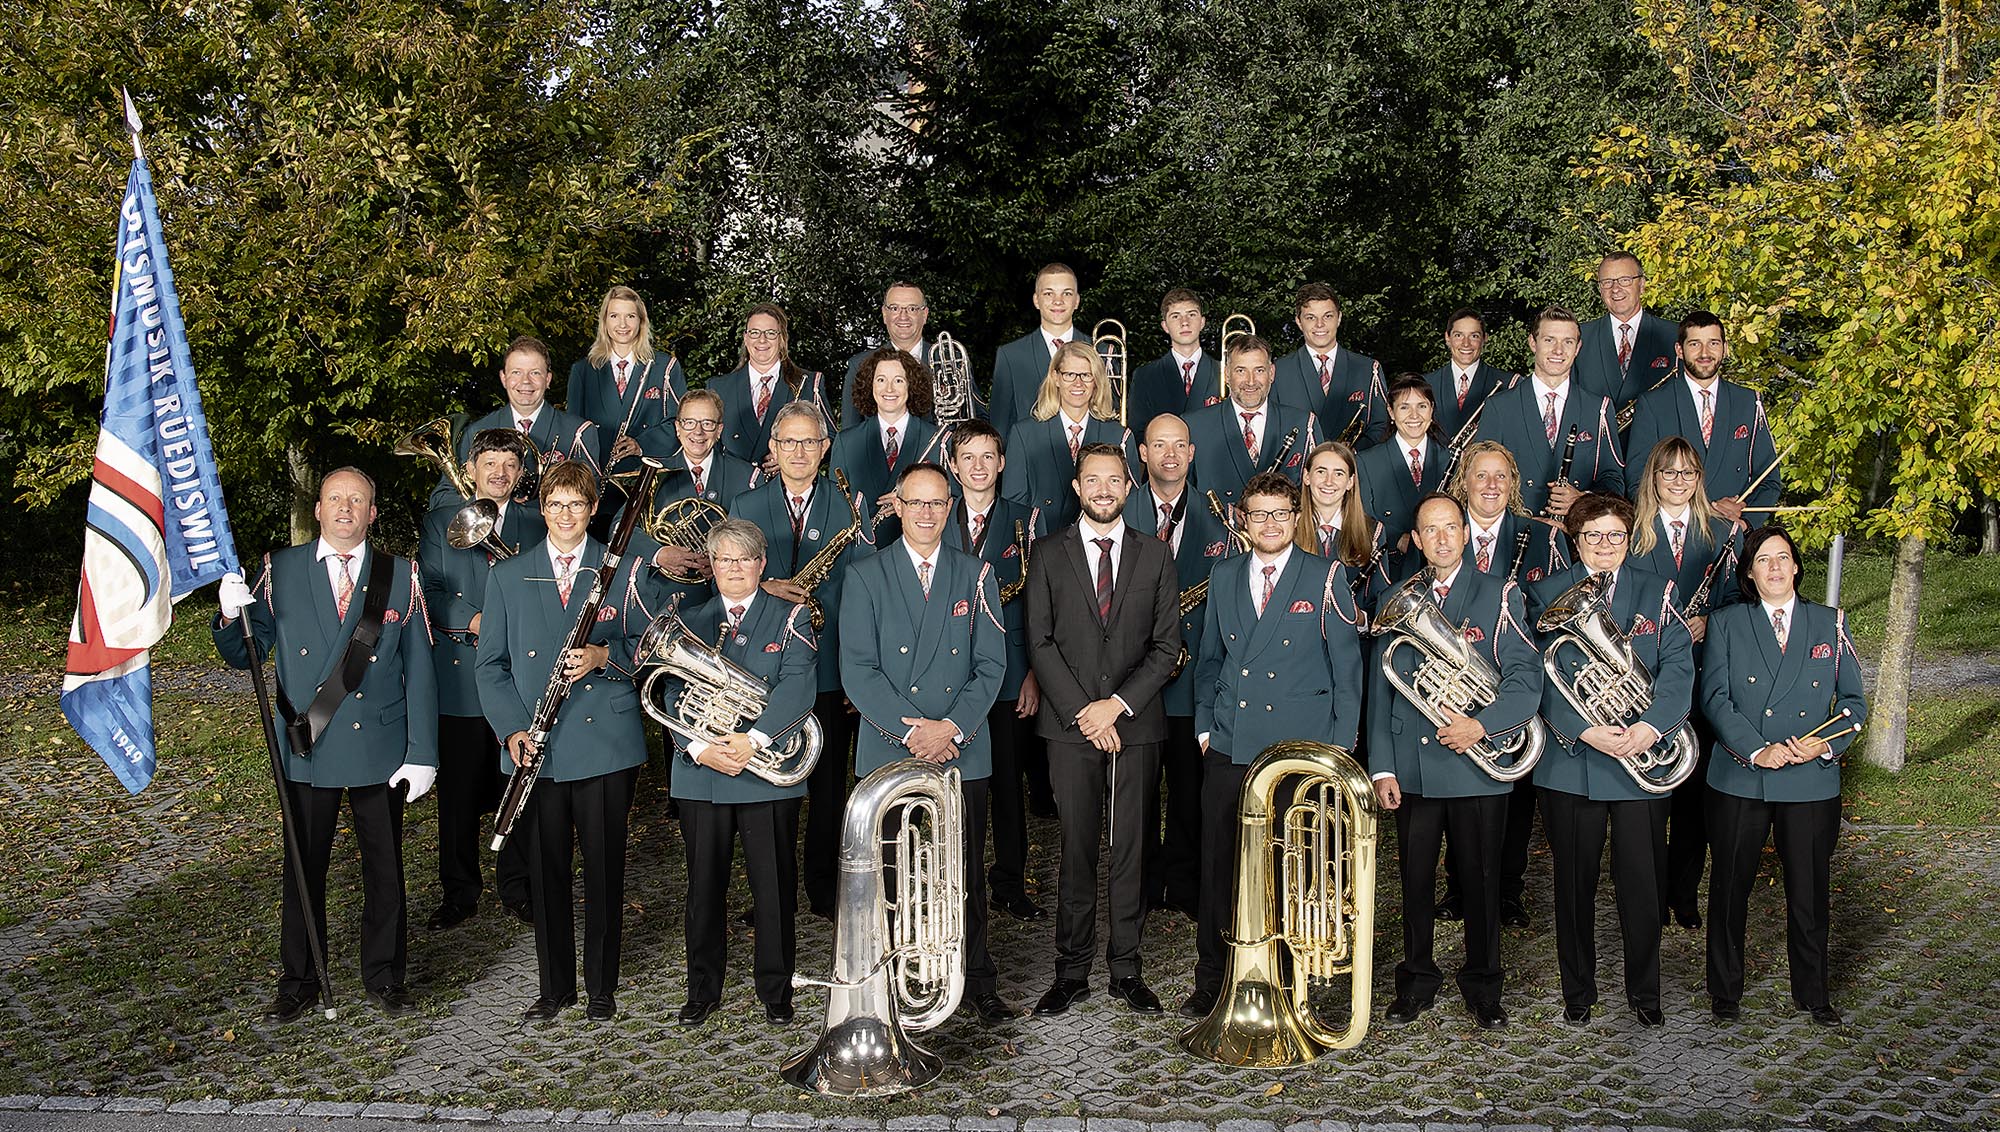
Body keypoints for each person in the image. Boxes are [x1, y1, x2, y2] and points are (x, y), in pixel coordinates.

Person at [215, 468, 439, 1022]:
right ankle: (299, 980)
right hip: (308, 747)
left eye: (356, 500)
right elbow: (247, 654)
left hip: (380, 746)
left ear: (372, 513)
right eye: (334, 498)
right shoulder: (279, 569)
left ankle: (385, 977)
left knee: (384, 870)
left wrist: (422, 752)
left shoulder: (400, 574)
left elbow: (421, 669)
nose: (345, 508)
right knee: (302, 868)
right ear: (317, 509)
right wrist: (229, 614)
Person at [476, 461, 655, 1022]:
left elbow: (651, 646)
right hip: (538, 745)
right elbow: (491, 666)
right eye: (555, 504)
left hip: (604, 743)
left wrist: (604, 656)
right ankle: (554, 988)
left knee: (604, 869)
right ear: (542, 509)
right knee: (546, 870)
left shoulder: (622, 567)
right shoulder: (508, 575)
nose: (566, 514)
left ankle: (601, 986)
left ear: (593, 508)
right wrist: (512, 729)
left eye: (577, 504)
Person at [840, 462, 1016, 1025]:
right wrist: (915, 732)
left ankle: (976, 979)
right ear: (897, 506)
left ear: (950, 508)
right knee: (892, 873)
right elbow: (858, 670)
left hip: (962, 746)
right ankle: (895, 984)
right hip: (891, 747)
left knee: (963, 872)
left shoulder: (977, 573)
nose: (926, 513)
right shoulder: (865, 575)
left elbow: (991, 665)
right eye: (915, 503)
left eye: (937, 503)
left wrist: (951, 728)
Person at [1185, 471, 1363, 1020]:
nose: (1269, 524)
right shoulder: (1223, 574)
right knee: (1220, 863)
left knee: (1295, 867)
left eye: (1280, 514)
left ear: (1296, 517)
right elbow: (1208, 658)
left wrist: (1337, 754)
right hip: (1231, 743)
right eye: (1259, 514)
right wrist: (1205, 727)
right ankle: (1213, 977)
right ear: (1243, 519)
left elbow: (1347, 673)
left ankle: (1288, 977)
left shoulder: (1327, 575)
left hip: (1298, 750)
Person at [1368, 493, 1543, 1030]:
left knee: (1482, 881)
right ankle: (1416, 981)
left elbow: (1526, 678)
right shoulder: (1397, 598)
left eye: (1451, 527)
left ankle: (1484, 986)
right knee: (1415, 881)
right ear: (1418, 541)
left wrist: (1482, 725)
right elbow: (1382, 688)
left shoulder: (1500, 593)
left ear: (1466, 534)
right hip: (1414, 767)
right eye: (1430, 530)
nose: (1442, 538)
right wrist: (1382, 766)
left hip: (1476, 765)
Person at [1024, 443, 1181, 1016]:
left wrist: (1115, 706)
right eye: (1093, 480)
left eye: (1114, 480)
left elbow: (1167, 648)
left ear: (1128, 486)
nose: (1104, 490)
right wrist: (1084, 712)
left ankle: (1126, 969)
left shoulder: (1155, 554)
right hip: (1071, 729)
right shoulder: (1047, 553)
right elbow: (1039, 642)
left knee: (1131, 850)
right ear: (1077, 487)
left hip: (1135, 727)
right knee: (1076, 847)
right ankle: (1071, 971)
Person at [1526, 492, 1694, 1027]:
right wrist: (1582, 729)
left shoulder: (1658, 590)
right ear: (1575, 541)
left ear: (1629, 538)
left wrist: (1651, 727)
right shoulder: (1544, 593)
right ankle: (1578, 991)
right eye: (1593, 535)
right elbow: (1533, 674)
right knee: (1573, 886)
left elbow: (1678, 668)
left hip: (1642, 758)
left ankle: (1646, 994)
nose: (1605, 545)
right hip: (1573, 760)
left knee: (1643, 886)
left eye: (1615, 535)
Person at [1700, 525, 1867, 1027]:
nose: (1774, 567)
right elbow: (1715, 698)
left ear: (1796, 566)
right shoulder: (1727, 623)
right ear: (1749, 574)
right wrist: (1758, 750)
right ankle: (1725, 991)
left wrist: (1826, 744)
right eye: (1762, 560)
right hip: (1741, 776)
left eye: (1782, 557)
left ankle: (1813, 994)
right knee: (1730, 889)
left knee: (1810, 892)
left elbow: (1854, 703)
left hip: (1809, 778)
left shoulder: (1830, 623)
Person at [667, 519, 819, 1027]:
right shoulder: (690, 618)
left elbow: (797, 685)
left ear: (761, 564)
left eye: (745, 559)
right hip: (702, 772)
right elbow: (669, 688)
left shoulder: (792, 617)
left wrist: (752, 740)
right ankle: (702, 990)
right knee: (703, 888)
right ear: (712, 566)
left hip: (763, 772)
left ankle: (776, 989)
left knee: (772, 887)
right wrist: (698, 747)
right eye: (724, 559)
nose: (734, 568)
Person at [729, 401, 875, 918]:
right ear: (773, 447)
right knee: (771, 785)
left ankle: (824, 887)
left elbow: (865, 592)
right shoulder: (745, 502)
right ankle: (774, 894)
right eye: (788, 441)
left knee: (829, 787)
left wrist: (858, 673)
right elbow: (729, 579)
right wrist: (766, 584)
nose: (798, 451)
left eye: (809, 441)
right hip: (764, 672)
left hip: (832, 666)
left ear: (824, 447)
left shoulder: (849, 504)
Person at [1434, 440, 1572, 925]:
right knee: (1460, 783)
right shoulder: (1442, 532)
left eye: (1501, 476)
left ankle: (1508, 891)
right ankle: (1459, 888)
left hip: (1518, 678)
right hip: (1457, 683)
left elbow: (1559, 609)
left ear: (1513, 484)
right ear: (1464, 482)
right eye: (1481, 475)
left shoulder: (1544, 536)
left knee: (1516, 789)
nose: (1490, 485)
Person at [418, 429, 542, 930]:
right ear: (470, 470)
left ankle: (520, 887)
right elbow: (430, 590)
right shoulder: (439, 523)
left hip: (519, 677)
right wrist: (478, 622)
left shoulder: (538, 522)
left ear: (520, 473)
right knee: (459, 795)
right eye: (489, 462)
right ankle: (459, 891)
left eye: (509, 464)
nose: (499, 472)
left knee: (518, 786)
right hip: (462, 678)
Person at [1124, 413, 1238, 918]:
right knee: (1140, 793)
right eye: (1158, 445)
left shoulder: (1221, 518)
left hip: (1194, 679)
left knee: (1192, 791)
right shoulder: (1119, 510)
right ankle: (1143, 887)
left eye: (1179, 446)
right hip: (1135, 679)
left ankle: (1186, 884)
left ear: (1192, 454)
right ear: (1142, 453)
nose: (1169, 455)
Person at [1632, 436, 1744, 928]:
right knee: (1651, 792)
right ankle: (1650, 895)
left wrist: (1708, 621)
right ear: (1654, 478)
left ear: (1699, 479)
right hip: (1646, 678)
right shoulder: (1632, 534)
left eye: (1688, 473)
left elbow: (1740, 601)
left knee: (1694, 794)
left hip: (1703, 673)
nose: (1678, 481)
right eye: (1669, 472)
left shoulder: (1722, 533)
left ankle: (1684, 892)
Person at [942, 420, 1051, 921]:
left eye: (988, 456)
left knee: (1008, 783)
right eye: (968, 457)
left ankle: (1009, 881)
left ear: (1002, 463)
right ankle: (953, 884)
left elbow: (1041, 604)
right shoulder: (934, 517)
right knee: (954, 786)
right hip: (947, 676)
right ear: (953, 465)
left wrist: (1032, 672)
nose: (979, 466)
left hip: (1010, 675)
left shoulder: (1026, 521)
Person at [1622, 310, 1781, 523]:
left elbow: (1769, 480)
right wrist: (1697, 513)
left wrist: (1745, 523)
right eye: (1695, 344)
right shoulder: (1653, 404)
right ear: (1679, 350)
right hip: (1677, 530)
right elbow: (1637, 481)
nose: (1705, 353)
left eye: (1713, 343)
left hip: (1735, 532)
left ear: (1725, 348)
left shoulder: (1749, 402)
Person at [1473, 307, 1625, 517]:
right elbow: (1479, 479)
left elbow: (1614, 480)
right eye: (1549, 340)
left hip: (1576, 530)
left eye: (1568, 342)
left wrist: (1583, 499)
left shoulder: (1598, 408)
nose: (1558, 350)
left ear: (1578, 348)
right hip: (1518, 530)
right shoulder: (1499, 407)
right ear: (1532, 343)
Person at [567, 286, 689, 537]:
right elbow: (574, 434)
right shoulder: (583, 370)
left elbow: (680, 424)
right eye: (614, 316)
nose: (622, 324)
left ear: (641, 321)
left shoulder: (665, 368)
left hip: (647, 490)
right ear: (604, 321)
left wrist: (640, 444)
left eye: (630, 316)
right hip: (598, 491)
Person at [430, 336, 601, 510]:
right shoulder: (476, 431)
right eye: (516, 372)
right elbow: (442, 497)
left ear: (548, 379)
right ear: (503, 378)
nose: (525, 381)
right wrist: (488, 502)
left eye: (535, 373)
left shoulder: (579, 432)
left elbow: (591, 496)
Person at [1000, 341, 1139, 532]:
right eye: (1069, 374)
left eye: (1086, 375)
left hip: (1101, 541)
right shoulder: (1024, 434)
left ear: (1096, 380)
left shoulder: (1120, 436)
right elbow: (1014, 506)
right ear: (1056, 378)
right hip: (1044, 542)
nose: (1078, 383)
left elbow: (1131, 504)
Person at [1183, 334, 1318, 505]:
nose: (1251, 381)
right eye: (1241, 371)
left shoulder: (1304, 424)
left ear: (1271, 373)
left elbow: (1316, 497)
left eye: (1259, 370)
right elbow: (1181, 496)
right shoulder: (1193, 426)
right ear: (1227, 374)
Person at [831, 347, 941, 546]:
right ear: (870, 385)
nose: (889, 389)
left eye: (898, 380)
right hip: (864, 554)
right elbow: (834, 506)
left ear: (911, 385)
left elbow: (952, 501)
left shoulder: (938, 439)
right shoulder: (846, 441)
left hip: (920, 551)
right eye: (881, 380)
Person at [712, 304, 831, 475]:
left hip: (787, 486)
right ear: (745, 338)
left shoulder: (808, 384)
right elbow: (708, 448)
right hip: (733, 486)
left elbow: (831, 440)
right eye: (754, 332)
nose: (762, 340)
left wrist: (795, 458)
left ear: (782, 338)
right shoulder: (719, 388)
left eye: (770, 333)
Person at [1271, 283, 1388, 447]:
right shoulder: (1277, 372)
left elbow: (1381, 426)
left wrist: (1354, 453)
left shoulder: (1368, 370)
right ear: (1298, 321)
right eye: (1310, 317)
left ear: (1339, 318)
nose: (1319, 324)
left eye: (1327, 316)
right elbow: (1271, 431)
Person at [1358, 374, 1448, 576]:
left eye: (1422, 406)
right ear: (1391, 412)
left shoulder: (1451, 459)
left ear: (1432, 409)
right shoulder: (1366, 462)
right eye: (1404, 407)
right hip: (1388, 571)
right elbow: (1361, 518)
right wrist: (1397, 539)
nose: (1414, 415)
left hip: (1442, 572)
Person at [990, 263, 1085, 441]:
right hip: (1031, 456)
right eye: (1049, 293)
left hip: (1090, 457)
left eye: (1067, 293)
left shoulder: (1100, 351)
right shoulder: (1010, 356)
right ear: (1036, 300)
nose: (1058, 301)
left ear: (1077, 301)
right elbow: (999, 428)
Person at [1575, 251, 1679, 413]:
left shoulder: (1674, 335)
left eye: (1625, 280)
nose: (1615, 289)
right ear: (1600, 289)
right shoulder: (1578, 337)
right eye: (1607, 282)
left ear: (1642, 285)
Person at [1293, 441, 1387, 611]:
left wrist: (1360, 618)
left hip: (1351, 627)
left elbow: (1380, 599)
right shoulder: (1288, 527)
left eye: (1338, 474)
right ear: (1307, 476)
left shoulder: (1373, 532)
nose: (1329, 482)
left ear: (1350, 482)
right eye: (1321, 472)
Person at [838, 282, 935, 431]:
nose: (903, 316)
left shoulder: (950, 361)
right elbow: (849, 432)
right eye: (895, 308)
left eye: (912, 309)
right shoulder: (859, 365)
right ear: (884, 314)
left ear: (924, 314)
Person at [1127, 288, 1217, 434]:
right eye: (1175, 316)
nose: (1185, 323)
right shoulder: (1145, 376)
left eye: (1191, 315)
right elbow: (1138, 432)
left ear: (1202, 322)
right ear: (1165, 326)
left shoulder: (1224, 372)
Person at [1425, 307, 1513, 446]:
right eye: (1458, 335)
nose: (1466, 343)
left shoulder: (1509, 385)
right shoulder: (1425, 384)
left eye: (1474, 336)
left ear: (1485, 338)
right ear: (1447, 338)